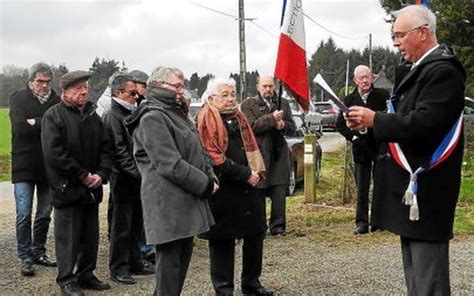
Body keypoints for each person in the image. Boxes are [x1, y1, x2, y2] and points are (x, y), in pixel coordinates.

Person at [344, 5, 465, 295]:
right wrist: (368, 125)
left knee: (429, 280)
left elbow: (425, 122)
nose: (395, 42)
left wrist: (376, 120)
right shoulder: (418, 70)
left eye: (399, 35)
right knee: (416, 277)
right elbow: (402, 119)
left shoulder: (443, 71)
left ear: (423, 33)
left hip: (428, 185)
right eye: (393, 35)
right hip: (414, 188)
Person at [125, 66, 217, 296]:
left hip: (185, 200)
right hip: (167, 204)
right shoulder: (152, 117)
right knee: (169, 272)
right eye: (177, 85)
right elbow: (170, 163)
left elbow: (197, 150)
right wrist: (204, 184)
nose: (181, 90)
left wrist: (211, 174)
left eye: (181, 85)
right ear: (157, 86)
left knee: (178, 270)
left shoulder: (176, 113)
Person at [197, 78, 274, 296]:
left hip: (250, 188)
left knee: (255, 235)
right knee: (223, 242)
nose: (231, 99)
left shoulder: (239, 118)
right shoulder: (205, 120)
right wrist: (244, 174)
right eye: (225, 95)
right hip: (224, 191)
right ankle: (224, 289)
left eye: (233, 94)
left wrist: (255, 173)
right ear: (212, 98)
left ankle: (252, 284)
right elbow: (212, 158)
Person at [41, 70, 113, 296]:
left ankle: (86, 274)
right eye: (78, 88)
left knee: (90, 236)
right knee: (68, 238)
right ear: (65, 92)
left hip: (91, 188)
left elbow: (106, 147)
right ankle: (66, 279)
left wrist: (101, 173)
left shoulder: (93, 116)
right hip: (67, 187)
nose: (84, 92)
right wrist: (82, 174)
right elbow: (54, 154)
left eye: (86, 88)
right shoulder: (54, 116)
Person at [102, 74, 154, 285]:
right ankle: (118, 268)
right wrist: (139, 175)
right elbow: (120, 151)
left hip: (136, 178)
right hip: (123, 180)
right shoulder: (113, 116)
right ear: (118, 93)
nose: (135, 96)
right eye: (131, 93)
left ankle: (135, 262)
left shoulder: (131, 112)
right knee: (121, 227)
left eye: (136, 93)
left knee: (136, 224)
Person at [9, 62, 59, 276]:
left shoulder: (56, 100)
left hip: (48, 166)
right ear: (30, 81)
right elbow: (20, 129)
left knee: (45, 213)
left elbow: (59, 130)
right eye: (40, 81)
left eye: (47, 81)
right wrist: (45, 124)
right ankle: (25, 257)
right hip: (24, 165)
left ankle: (38, 251)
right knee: (23, 213)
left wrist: (35, 122)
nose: (44, 85)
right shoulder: (18, 98)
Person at [335, 65, 388, 235]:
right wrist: (355, 138)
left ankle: (379, 222)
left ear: (372, 77)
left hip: (380, 146)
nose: (365, 80)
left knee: (380, 185)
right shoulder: (349, 99)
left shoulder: (383, 96)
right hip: (361, 148)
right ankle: (362, 223)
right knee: (362, 187)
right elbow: (340, 125)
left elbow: (389, 119)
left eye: (367, 76)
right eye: (361, 78)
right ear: (355, 80)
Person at [241, 75, 296, 236]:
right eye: (264, 86)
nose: (268, 90)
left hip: (279, 154)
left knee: (279, 192)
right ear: (258, 87)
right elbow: (251, 127)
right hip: (259, 154)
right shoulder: (249, 104)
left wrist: (283, 124)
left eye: (270, 86)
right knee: (258, 191)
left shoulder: (283, 103)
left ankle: (278, 226)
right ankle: (258, 226)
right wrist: (271, 119)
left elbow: (292, 127)